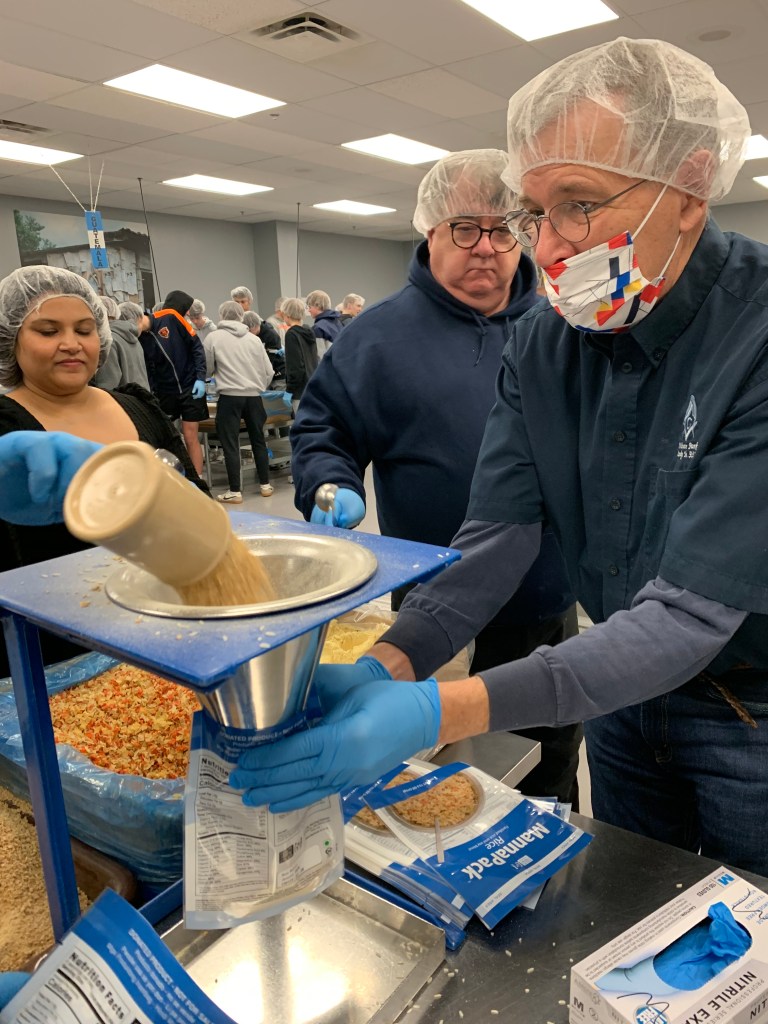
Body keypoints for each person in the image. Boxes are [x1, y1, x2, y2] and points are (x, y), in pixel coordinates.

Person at [228, 38, 768, 877]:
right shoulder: (547, 340)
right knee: (633, 899)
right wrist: (392, 662)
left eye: (579, 205)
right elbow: (499, 536)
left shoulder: (754, 334)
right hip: (617, 695)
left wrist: (438, 712)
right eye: (534, 213)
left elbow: (691, 618)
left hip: (748, 711)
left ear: (690, 188)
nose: (545, 249)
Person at [291, 149, 580, 804]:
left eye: (502, 229)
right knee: (433, 778)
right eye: (464, 228)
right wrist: (330, 481)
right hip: (431, 601)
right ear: (430, 230)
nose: (485, 248)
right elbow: (323, 427)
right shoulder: (377, 338)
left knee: (546, 765)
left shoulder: (562, 327)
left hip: (542, 594)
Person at [0, 266, 208, 677]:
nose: (71, 344)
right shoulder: (8, 430)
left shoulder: (137, 406)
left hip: (164, 629)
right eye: (48, 331)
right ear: (10, 340)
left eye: (84, 329)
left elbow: (199, 500)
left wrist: (179, 494)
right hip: (60, 654)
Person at [206, 301, 275, 502]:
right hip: (254, 397)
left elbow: (207, 369)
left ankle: (235, 491)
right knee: (258, 440)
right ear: (241, 316)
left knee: (230, 444)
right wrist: (257, 386)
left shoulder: (213, 338)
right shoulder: (254, 340)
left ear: (221, 315)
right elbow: (269, 371)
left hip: (229, 397)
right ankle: (265, 485)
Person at [139, 290, 207, 475]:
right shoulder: (140, 337)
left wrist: (200, 378)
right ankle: (172, 480)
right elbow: (149, 368)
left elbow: (197, 347)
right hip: (165, 392)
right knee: (166, 438)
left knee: (190, 436)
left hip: (190, 387)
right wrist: (153, 393)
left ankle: (198, 482)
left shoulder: (170, 317)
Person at [92, 297, 150, 390]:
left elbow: (107, 386)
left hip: (121, 399)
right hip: (141, 397)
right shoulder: (133, 338)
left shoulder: (109, 342)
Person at [281, 297, 318, 410]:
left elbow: (296, 367)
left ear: (287, 314)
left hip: (299, 391)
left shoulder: (291, 334)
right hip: (312, 388)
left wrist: (289, 390)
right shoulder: (309, 331)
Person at [243, 310, 285, 381]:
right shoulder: (254, 334)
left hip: (278, 374)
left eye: (249, 331)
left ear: (255, 326)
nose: (248, 334)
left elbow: (270, 362)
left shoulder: (270, 335)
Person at [306, 290, 342, 357]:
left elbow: (320, 356)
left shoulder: (318, 328)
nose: (309, 310)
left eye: (310, 307)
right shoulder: (337, 322)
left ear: (317, 305)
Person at [188, 299, 218, 376]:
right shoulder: (188, 329)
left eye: (197, 318)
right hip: (194, 370)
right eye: (191, 318)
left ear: (202, 314)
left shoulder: (212, 329)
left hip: (211, 371)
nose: (195, 321)